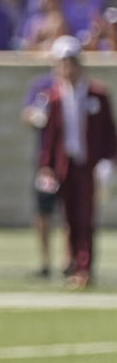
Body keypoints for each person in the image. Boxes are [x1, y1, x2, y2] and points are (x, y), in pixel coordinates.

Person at [38, 35, 117, 289]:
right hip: (65, 165)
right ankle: (73, 264)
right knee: (69, 217)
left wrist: (109, 161)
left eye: (70, 62)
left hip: (89, 164)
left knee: (86, 217)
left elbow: (108, 132)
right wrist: (46, 167)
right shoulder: (55, 97)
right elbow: (49, 137)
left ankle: (85, 268)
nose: (66, 68)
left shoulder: (97, 94)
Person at [21, 68, 57, 277]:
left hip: (70, 159)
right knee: (44, 209)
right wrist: (35, 116)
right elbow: (26, 115)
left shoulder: (78, 88)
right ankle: (45, 261)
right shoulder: (42, 85)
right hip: (46, 161)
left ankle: (69, 261)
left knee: (72, 209)